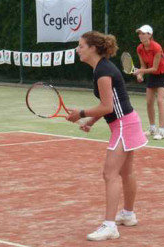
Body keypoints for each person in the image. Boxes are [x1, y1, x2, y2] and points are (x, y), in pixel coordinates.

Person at [66, 31, 148, 241]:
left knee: (109, 174)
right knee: (126, 173)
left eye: (81, 46)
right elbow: (110, 106)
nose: (78, 50)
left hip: (123, 126)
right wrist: (91, 122)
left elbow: (107, 106)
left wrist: (81, 114)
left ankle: (110, 226)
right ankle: (128, 215)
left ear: (93, 48)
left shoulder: (102, 71)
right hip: (128, 122)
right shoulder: (102, 68)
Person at [134, 25, 164, 140]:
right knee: (149, 102)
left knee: (160, 101)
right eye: (139, 33)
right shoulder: (139, 48)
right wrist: (140, 75)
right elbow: (143, 66)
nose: (141, 35)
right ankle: (152, 128)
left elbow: (154, 68)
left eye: (143, 33)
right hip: (152, 76)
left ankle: (161, 131)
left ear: (150, 35)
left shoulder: (156, 48)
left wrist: (140, 71)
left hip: (163, 75)